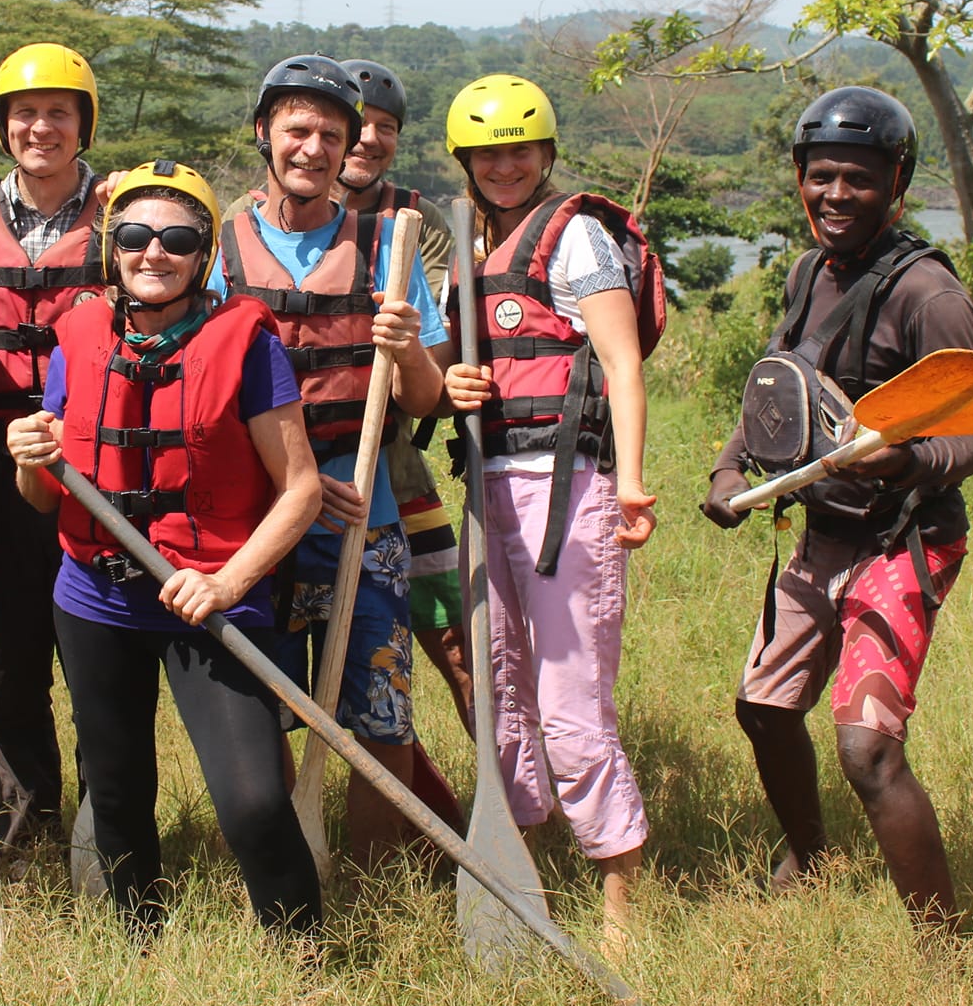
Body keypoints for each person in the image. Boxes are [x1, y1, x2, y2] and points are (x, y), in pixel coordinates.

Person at [6, 160, 324, 934]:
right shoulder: (78, 333)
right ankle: (137, 943)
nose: (155, 252)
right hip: (96, 597)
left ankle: (307, 959)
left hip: (211, 595)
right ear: (112, 249)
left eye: (177, 238)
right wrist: (29, 459)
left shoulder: (246, 345)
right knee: (114, 785)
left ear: (204, 252)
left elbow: (302, 489)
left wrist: (226, 582)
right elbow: (42, 496)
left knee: (251, 799)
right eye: (136, 236)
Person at [699, 85, 973, 929]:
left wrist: (912, 457)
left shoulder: (929, 294)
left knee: (867, 750)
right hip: (819, 532)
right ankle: (812, 855)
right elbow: (775, 393)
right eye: (820, 176)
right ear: (799, 176)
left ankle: (947, 949)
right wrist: (730, 472)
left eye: (858, 180)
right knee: (762, 706)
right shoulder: (807, 272)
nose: (835, 195)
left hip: (903, 539)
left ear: (897, 180)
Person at [442, 73, 658, 957]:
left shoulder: (577, 238)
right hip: (484, 492)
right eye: (488, 152)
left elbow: (622, 362)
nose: (505, 165)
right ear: (465, 159)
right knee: (501, 695)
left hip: (566, 489)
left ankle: (620, 904)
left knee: (571, 707)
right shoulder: (465, 246)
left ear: (547, 152)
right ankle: (518, 866)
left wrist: (634, 482)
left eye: (521, 149)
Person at [215, 55, 450, 867]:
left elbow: (425, 399)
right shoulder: (220, 250)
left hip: (366, 513)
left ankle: (374, 885)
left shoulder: (391, 247)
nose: (312, 148)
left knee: (382, 713)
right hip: (264, 519)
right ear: (264, 136)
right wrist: (298, 492)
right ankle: (289, 867)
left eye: (330, 134)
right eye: (296, 131)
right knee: (268, 706)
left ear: (350, 145)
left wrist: (407, 344)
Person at [0, 43, 107, 862]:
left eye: (59, 113)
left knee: (94, 647)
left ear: (83, 124)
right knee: (2, 654)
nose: (40, 127)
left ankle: (104, 821)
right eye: (25, 113)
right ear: (4, 126)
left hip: (94, 468)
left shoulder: (123, 215)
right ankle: (28, 824)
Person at [333, 58, 475, 740]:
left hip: (393, 454)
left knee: (452, 635)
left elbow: (433, 371)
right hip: (292, 452)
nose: (367, 139)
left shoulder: (418, 223)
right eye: (355, 124)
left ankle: (510, 806)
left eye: (385, 127)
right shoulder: (254, 219)